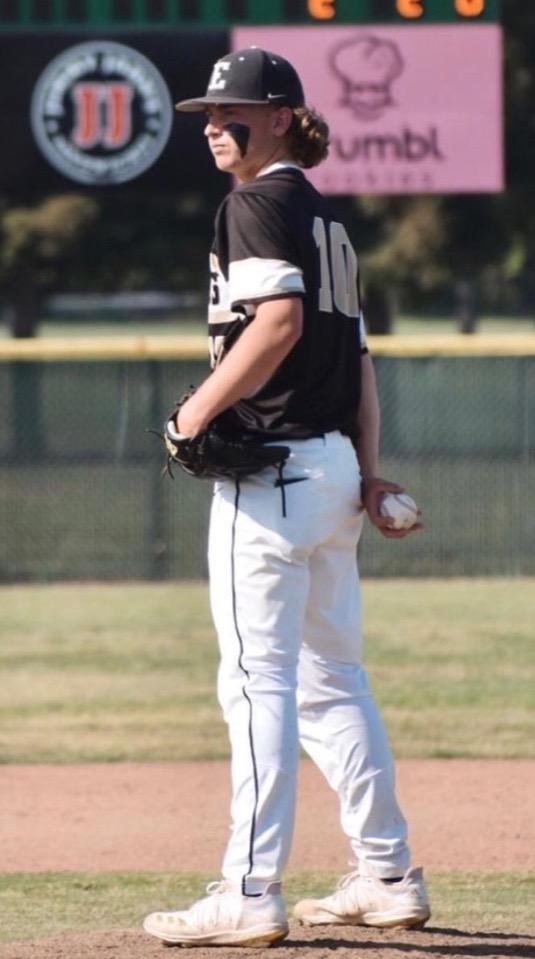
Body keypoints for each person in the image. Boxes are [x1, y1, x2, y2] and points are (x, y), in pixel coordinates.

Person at [143, 46, 430, 948]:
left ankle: (248, 888)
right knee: (332, 681)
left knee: (256, 681)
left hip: (271, 476)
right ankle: (386, 872)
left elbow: (276, 323)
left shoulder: (255, 203)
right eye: (206, 116)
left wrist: (191, 413)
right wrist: (368, 471)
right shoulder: (323, 217)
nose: (213, 128)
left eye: (231, 114)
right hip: (331, 470)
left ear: (280, 119)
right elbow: (360, 363)